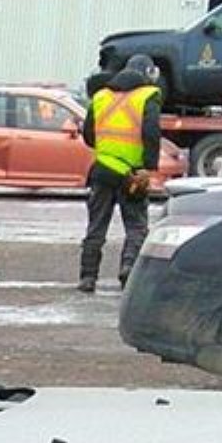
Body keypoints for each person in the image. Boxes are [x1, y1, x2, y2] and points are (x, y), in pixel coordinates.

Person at [79, 53, 164, 292]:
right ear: (148, 75)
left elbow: (89, 135)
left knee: (96, 226)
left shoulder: (101, 96)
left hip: (102, 171)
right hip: (133, 175)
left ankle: (87, 277)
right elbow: (151, 133)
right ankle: (128, 270)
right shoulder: (148, 96)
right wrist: (148, 167)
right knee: (136, 227)